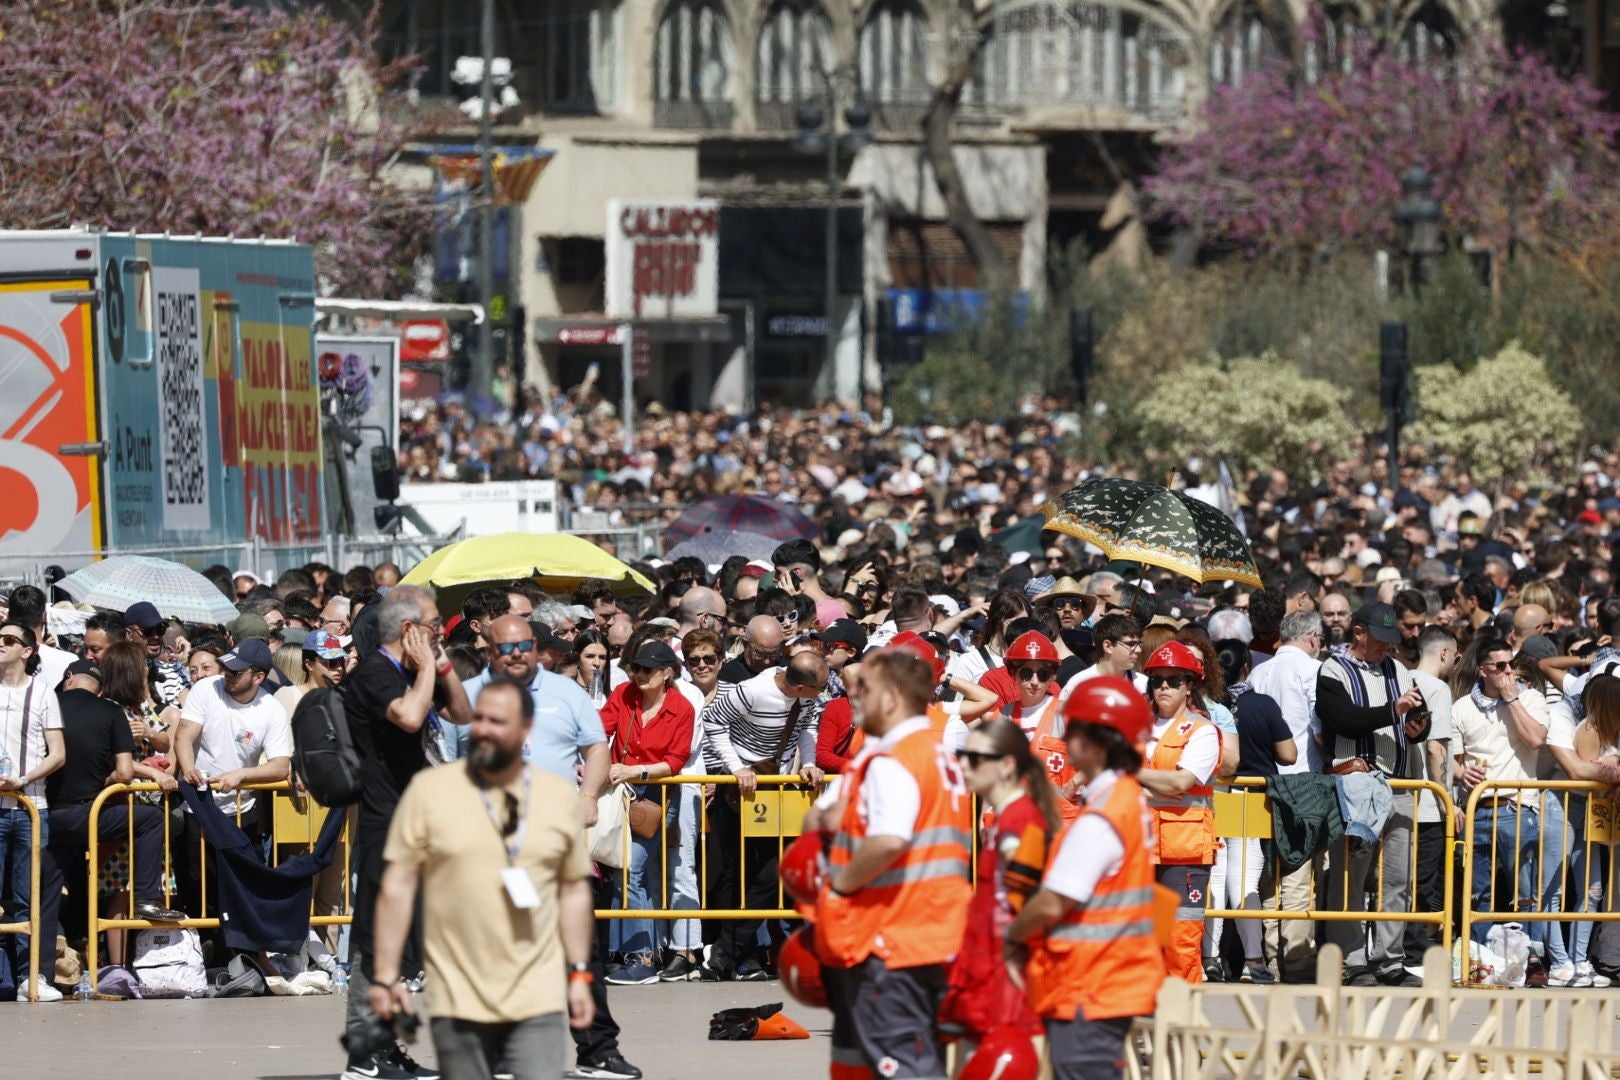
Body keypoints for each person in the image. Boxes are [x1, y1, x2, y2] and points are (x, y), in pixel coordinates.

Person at [368, 678, 596, 1080]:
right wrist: (387, 975)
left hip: (536, 992)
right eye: (480, 719)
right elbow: (398, 887)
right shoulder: (430, 791)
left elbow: (573, 890)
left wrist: (578, 973)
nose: (485, 729)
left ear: (525, 729)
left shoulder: (557, 797)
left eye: (498, 721)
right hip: (457, 993)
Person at [453, 615, 637, 1080]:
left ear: (537, 647)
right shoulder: (467, 697)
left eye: (525, 646)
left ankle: (597, 1049)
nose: (516, 655)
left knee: (581, 949)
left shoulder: (567, 693)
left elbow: (597, 748)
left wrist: (589, 796)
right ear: (488, 651)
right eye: (505, 648)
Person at [807, 646, 972, 1080]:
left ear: (893, 696)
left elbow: (890, 838)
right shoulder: (938, 757)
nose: (856, 695)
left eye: (868, 688)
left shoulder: (896, 759)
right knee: (921, 1059)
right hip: (935, 932)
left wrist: (840, 884)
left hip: (892, 935)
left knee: (903, 1067)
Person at [1007, 675, 1165, 1080]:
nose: (1066, 740)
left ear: (1093, 740)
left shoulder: (1103, 816)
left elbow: (1054, 900)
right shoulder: (1126, 800)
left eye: (1073, 730)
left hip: (1087, 984)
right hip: (1109, 980)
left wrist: (1010, 939)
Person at [342, 585, 470, 1080]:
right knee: (375, 939)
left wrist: (438, 665)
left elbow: (460, 712)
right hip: (384, 821)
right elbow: (412, 716)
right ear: (408, 629)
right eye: (434, 622)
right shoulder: (374, 672)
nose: (442, 629)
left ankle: (386, 1044)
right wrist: (422, 671)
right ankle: (364, 1052)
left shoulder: (411, 670)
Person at [39, 658, 184, 973]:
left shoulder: (46, 703)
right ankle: (146, 897)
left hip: (45, 812)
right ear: (101, 689)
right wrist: (104, 783)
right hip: (90, 814)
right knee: (150, 819)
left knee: (47, 894)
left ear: (68, 679)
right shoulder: (110, 711)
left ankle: (39, 976)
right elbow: (123, 772)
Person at [1315, 601, 1428, 988]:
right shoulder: (1332, 670)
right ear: (1358, 632)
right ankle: (1350, 960)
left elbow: (1416, 715)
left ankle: (1389, 960)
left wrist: (1418, 726)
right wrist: (1393, 711)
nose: (1386, 647)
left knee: (1397, 878)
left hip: (1398, 784)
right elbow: (1344, 719)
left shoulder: (1397, 668)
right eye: (1379, 640)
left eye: (1390, 640)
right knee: (1350, 875)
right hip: (1356, 785)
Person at [699, 652, 827, 981]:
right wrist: (736, 767)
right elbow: (713, 721)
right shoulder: (753, 690)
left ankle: (727, 951)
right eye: (818, 690)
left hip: (776, 789)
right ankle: (730, 954)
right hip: (739, 789)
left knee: (773, 871)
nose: (821, 696)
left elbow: (808, 726)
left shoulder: (807, 700)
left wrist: (809, 762)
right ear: (800, 686)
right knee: (734, 874)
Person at [939, 719, 1057, 1063]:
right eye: (962, 755)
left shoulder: (1019, 821)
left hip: (1005, 984)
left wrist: (1010, 949)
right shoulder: (1006, 819)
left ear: (1006, 765)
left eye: (975, 758)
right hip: (987, 974)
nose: (963, 764)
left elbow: (1036, 901)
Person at [172, 638, 293, 929]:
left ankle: (241, 954)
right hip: (197, 806)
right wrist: (188, 769)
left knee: (240, 887)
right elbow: (184, 735)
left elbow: (280, 766)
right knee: (198, 887)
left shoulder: (271, 710)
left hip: (241, 810)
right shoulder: (206, 688)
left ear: (259, 677)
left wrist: (241, 775)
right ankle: (205, 952)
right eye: (226, 667)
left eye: (236, 672)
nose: (227, 674)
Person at [598, 641, 695, 986]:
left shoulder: (681, 707)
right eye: (635, 668)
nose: (638, 675)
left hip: (657, 795)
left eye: (647, 669)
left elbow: (675, 761)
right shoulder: (624, 693)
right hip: (618, 791)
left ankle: (643, 958)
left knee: (632, 867)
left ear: (667, 673)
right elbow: (598, 731)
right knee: (619, 868)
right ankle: (626, 953)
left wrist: (632, 772)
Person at [1206, 640, 1294, 984]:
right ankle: (1253, 962)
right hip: (1251, 800)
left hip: (1214, 796)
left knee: (1214, 879)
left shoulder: (1207, 706)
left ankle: (1209, 959)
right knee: (1245, 882)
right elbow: (1287, 755)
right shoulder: (1261, 704)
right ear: (1247, 667)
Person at [1245, 610, 1323, 982]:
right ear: (1311, 638)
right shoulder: (1312, 670)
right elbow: (1319, 729)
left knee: (1268, 875)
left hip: (1264, 781)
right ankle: (1296, 960)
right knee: (1296, 874)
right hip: (1302, 780)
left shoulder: (1258, 673)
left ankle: (1272, 957)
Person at [1136, 640, 1219, 984]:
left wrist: (1129, 770)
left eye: (1174, 680)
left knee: (1180, 943)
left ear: (1190, 686)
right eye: (1157, 680)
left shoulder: (1202, 731)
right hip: (1139, 847)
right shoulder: (1135, 728)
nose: (1164, 687)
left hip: (1183, 853)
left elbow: (1181, 782)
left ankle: (1185, 1029)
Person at [0, 623, 65, 1000]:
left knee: (28, 895)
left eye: (9, 640)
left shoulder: (42, 694)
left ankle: (30, 977)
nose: (1, 644)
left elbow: (57, 753)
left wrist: (24, 779)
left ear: (27, 650)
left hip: (30, 807)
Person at [1404, 625, 1458, 969]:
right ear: (1443, 653)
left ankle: (1405, 948)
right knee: (1423, 882)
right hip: (1427, 804)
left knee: (1401, 881)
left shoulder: (1398, 678)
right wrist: (1446, 802)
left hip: (1402, 799)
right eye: (1455, 655)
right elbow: (1436, 747)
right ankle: (1414, 951)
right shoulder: (1437, 688)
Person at [717, 614, 784, 684]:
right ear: (745, 642)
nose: (767, 661)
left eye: (773, 654)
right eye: (760, 654)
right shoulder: (727, 676)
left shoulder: (785, 671)